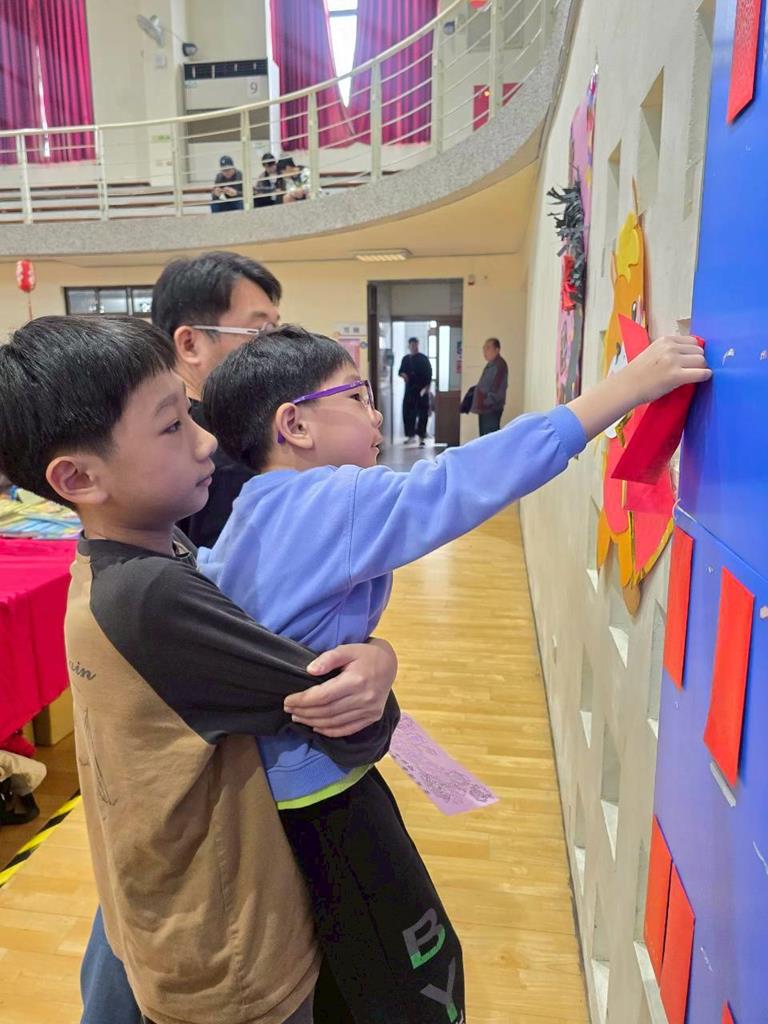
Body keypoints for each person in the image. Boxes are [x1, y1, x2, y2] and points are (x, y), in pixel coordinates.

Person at [197, 323, 710, 1023]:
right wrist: (627, 388)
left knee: (344, 968)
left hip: (276, 792)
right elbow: (463, 481)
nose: (377, 415)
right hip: (323, 794)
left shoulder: (248, 512)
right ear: (295, 425)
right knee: (411, 971)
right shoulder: (330, 498)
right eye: (357, 396)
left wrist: (377, 653)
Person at [0, 316, 400, 1024]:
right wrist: (377, 666)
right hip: (230, 957)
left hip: (171, 921)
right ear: (78, 477)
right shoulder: (152, 595)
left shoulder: (133, 560)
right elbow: (347, 718)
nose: (206, 439)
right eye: (172, 425)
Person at [398, 337, 432, 446]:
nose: (414, 347)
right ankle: (410, 436)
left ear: (418, 345)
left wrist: (426, 388)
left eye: (415, 345)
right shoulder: (406, 359)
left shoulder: (423, 359)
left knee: (423, 414)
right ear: (409, 346)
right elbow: (400, 371)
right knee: (408, 413)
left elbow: (429, 374)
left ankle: (422, 437)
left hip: (422, 390)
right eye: (412, 345)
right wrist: (403, 375)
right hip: (409, 391)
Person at [471, 336, 508, 435]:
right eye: (484, 348)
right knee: (484, 437)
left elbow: (498, 390)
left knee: (489, 437)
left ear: (497, 350)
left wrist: (485, 401)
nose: (484, 351)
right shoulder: (491, 364)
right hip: (485, 409)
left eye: (488, 348)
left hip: (491, 409)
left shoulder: (499, 365)